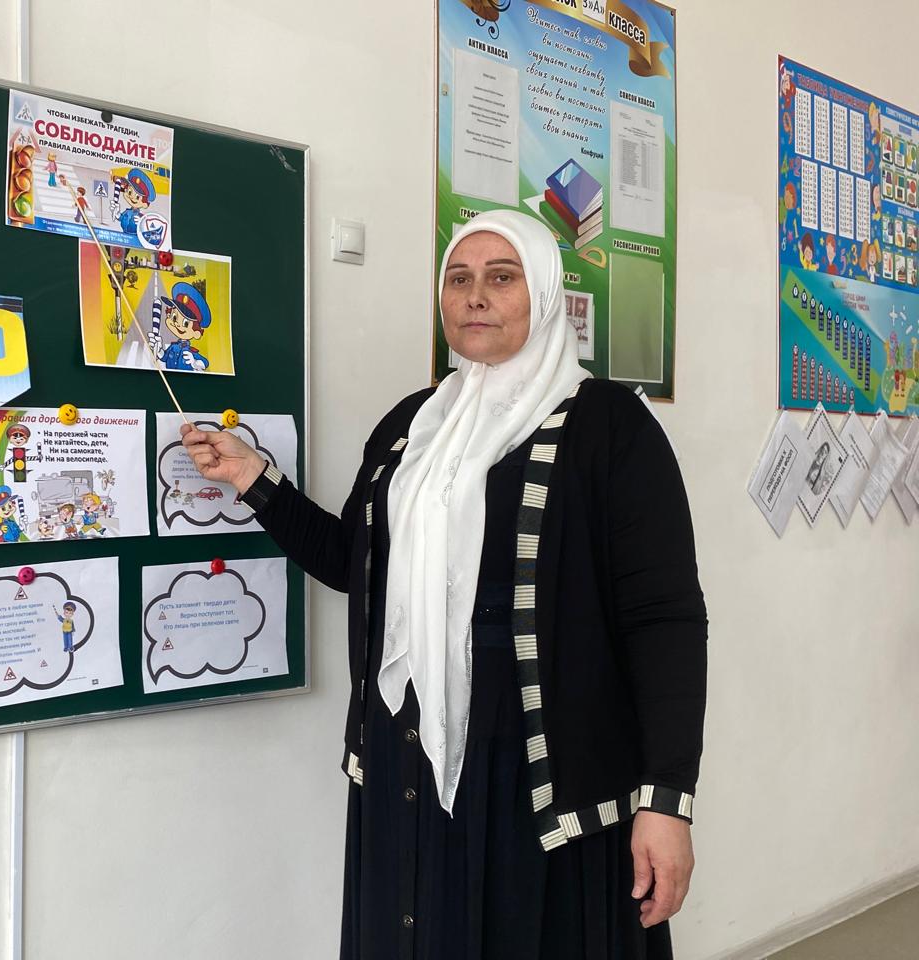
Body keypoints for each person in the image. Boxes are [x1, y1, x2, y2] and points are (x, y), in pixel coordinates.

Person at [181, 209, 707, 958]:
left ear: (545, 294)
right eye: (458, 279)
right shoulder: (414, 426)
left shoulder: (609, 425)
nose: (475, 296)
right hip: (407, 743)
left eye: (501, 277)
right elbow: (354, 562)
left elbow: (665, 618)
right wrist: (255, 480)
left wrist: (666, 800)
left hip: (538, 761)